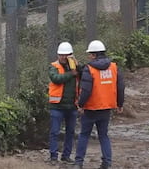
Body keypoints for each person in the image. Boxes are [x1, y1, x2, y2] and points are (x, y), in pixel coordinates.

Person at [74, 40, 124, 169]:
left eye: (90, 54)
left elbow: (86, 90)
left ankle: (78, 163)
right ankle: (107, 162)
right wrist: (120, 104)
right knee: (103, 135)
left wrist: (80, 104)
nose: (89, 56)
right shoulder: (113, 67)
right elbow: (120, 87)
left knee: (84, 135)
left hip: (91, 108)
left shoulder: (89, 69)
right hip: (106, 107)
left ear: (94, 55)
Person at [49, 42, 80, 165]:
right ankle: (53, 156)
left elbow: (83, 74)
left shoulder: (75, 67)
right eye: (61, 55)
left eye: (65, 55)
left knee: (70, 132)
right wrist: (70, 74)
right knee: (54, 132)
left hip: (72, 106)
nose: (63, 57)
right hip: (57, 106)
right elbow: (56, 79)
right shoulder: (54, 67)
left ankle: (66, 155)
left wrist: (76, 66)